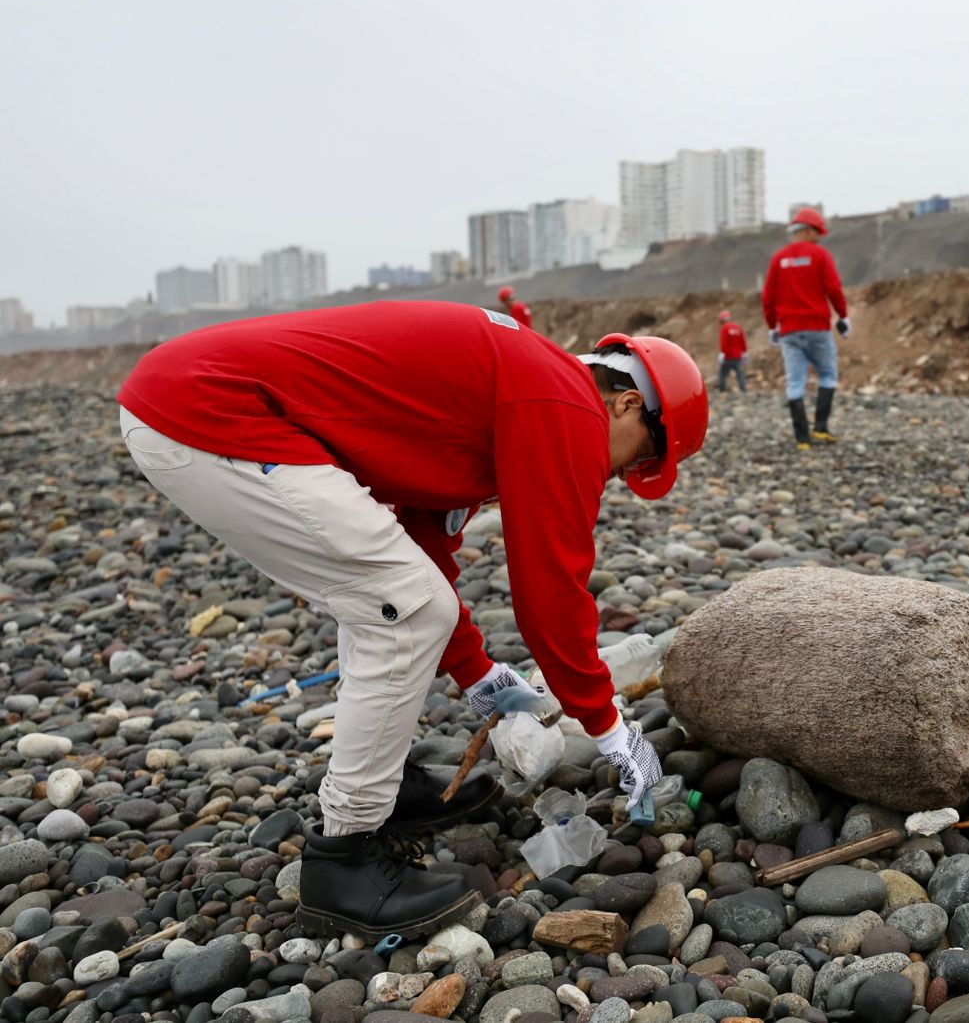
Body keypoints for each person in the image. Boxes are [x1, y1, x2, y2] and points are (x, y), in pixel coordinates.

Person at [116, 300, 707, 939]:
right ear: (625, 403)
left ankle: (381, 783)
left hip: (193, 396)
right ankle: (344, 858)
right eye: (642, 455)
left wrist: (480, 677)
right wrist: (612, 728)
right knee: (402, 610)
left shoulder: (523, 388)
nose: (624, 474)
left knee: (393, 595)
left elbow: (423, 548)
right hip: (209, 411)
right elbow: (550, 593)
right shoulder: (566, 406)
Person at [762, 207, 849, 450]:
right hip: (817, 328)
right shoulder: (820, 255)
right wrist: (843, 316)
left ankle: (802, 440)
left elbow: (768, 297)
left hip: (789, 331)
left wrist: (772, 327)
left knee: (795, 383)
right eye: (817, 232)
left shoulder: (779, 259)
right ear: (810, 230)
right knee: (828, 376)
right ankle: (820, 429)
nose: (818, 237)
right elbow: (833, 288)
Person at [716, 310, 748, 393]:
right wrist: (744, 352)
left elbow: (724, 343)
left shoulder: (724, 329)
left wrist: (722, 353)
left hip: (728, 357)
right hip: (738, 357)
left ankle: (721, 389)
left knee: (722, 373)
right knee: (740, 373)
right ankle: (743, 388)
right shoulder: (738, 328)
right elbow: (742, 341)